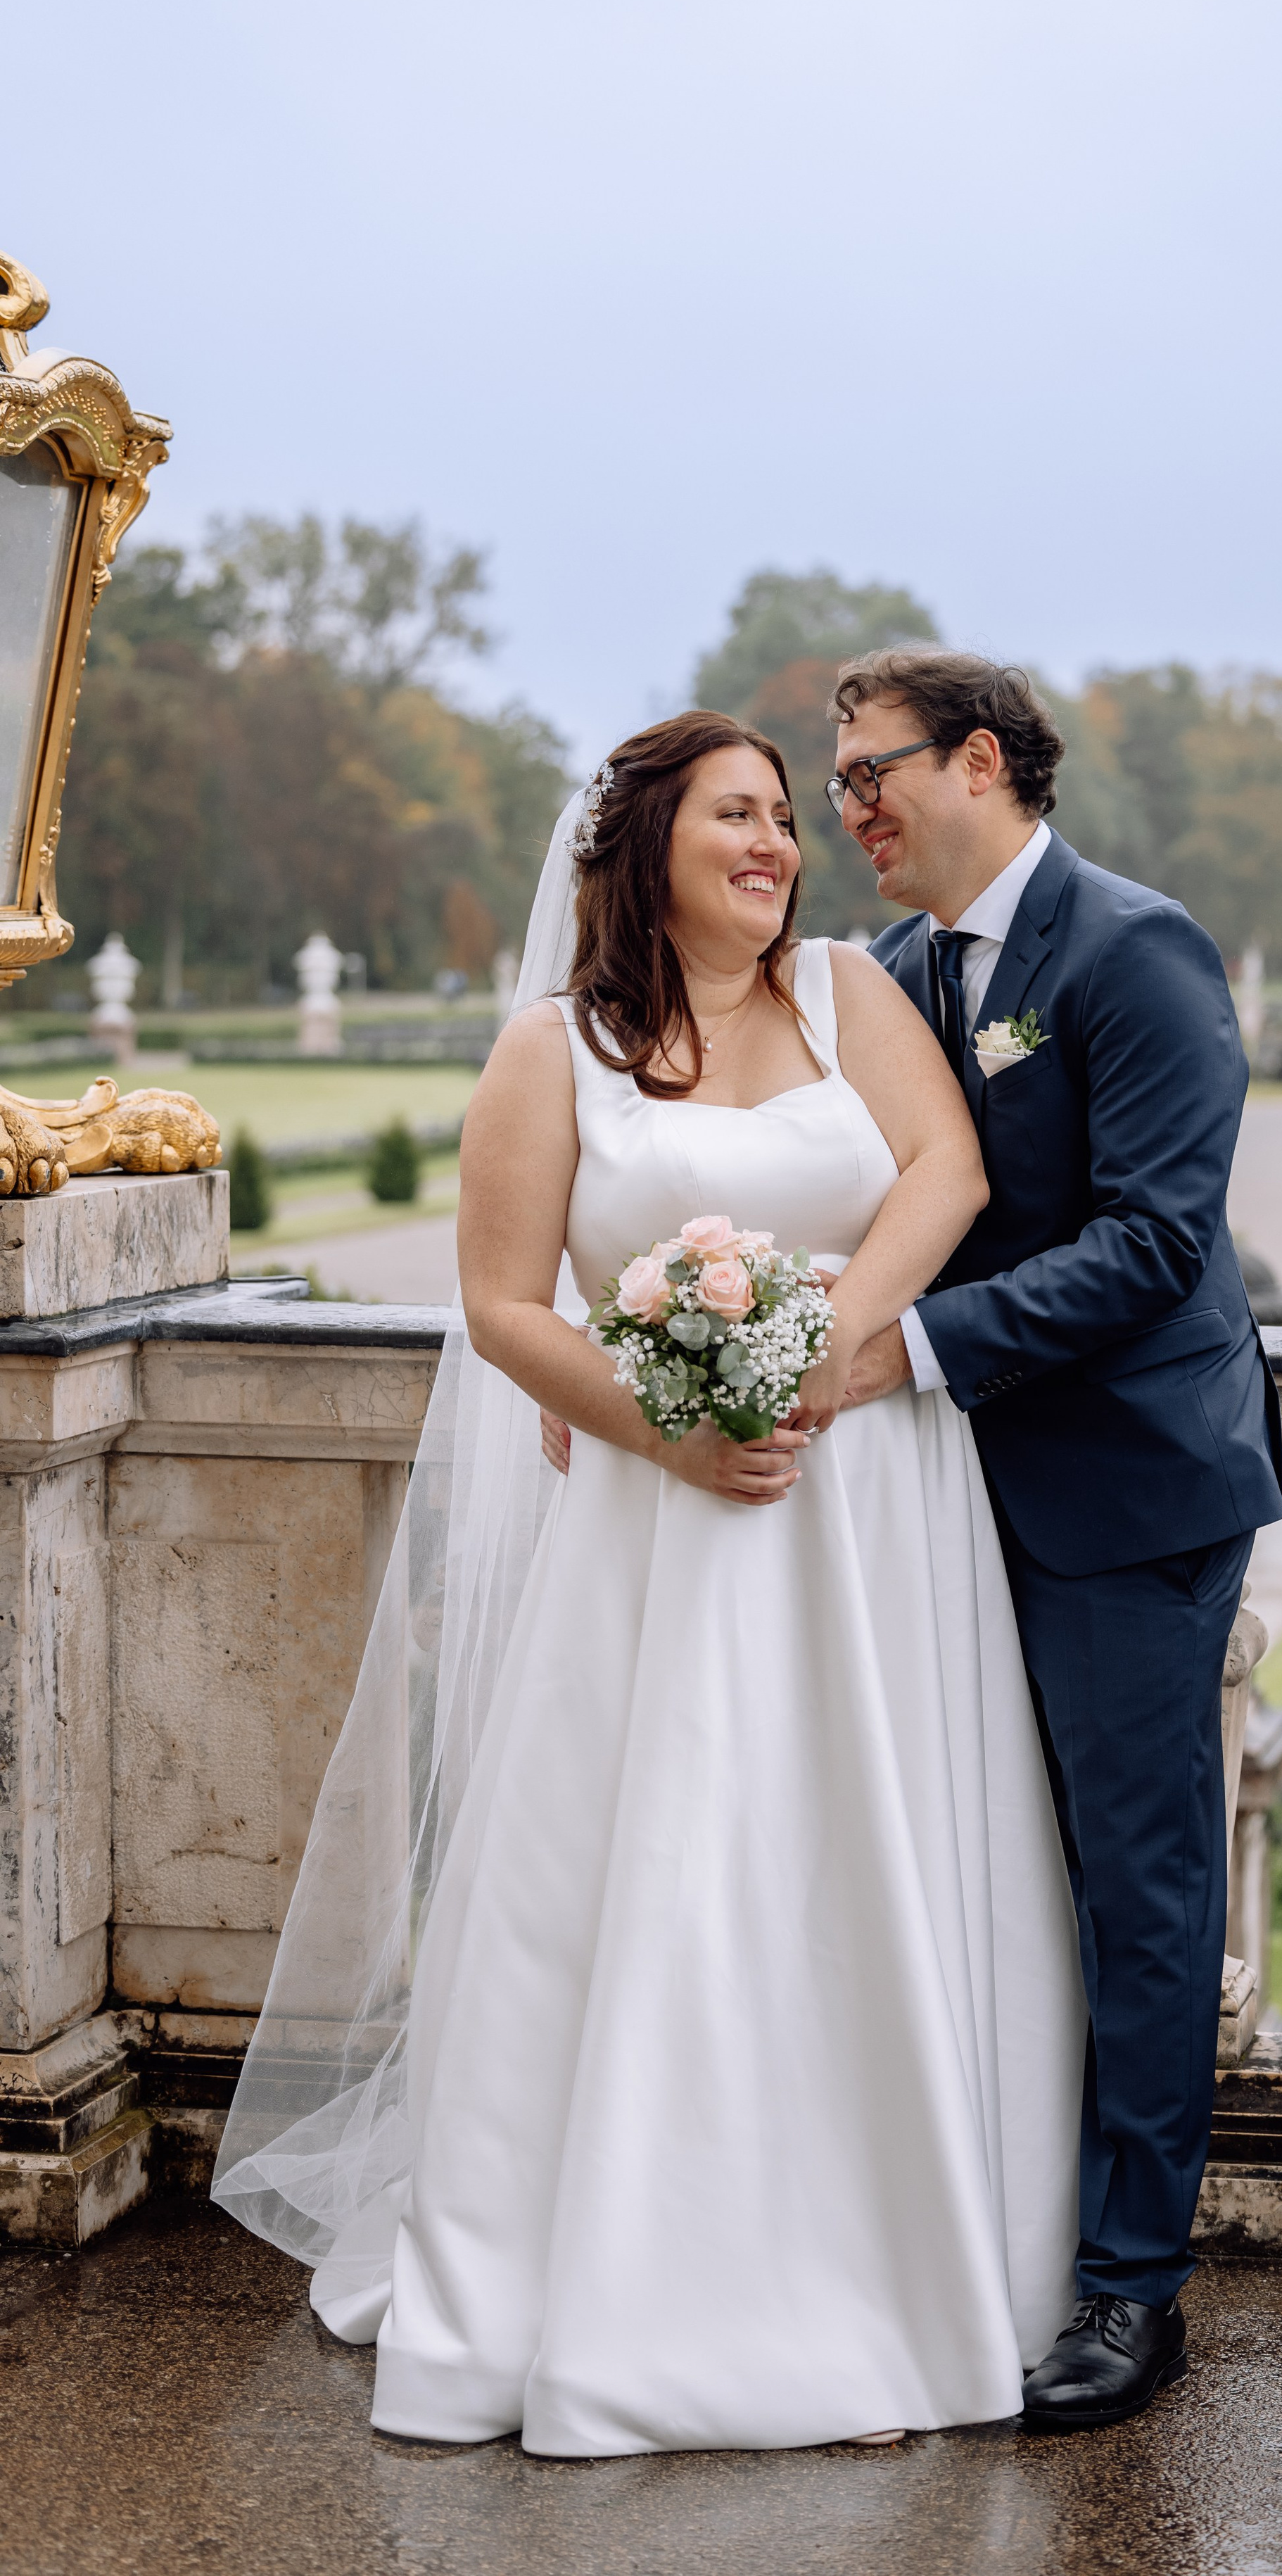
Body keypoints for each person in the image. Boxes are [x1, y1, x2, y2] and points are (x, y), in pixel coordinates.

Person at [214, 709, 1086, 2456]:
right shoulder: (554, 1050)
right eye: (738, 817)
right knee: (669, 1869)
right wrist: (675, 1427)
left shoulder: (851, 989)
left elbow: (949, 1174)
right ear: (645, 847)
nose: (776, 845)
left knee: (853, 1861)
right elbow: (507, 1304)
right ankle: (621, 2282)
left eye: (785, 817)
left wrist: (808, 1359)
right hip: (655, 1521)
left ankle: (884, 2259)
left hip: (867, 1513)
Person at [825, 647, 1282, 2432]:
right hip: (932, 1501)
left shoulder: (1133, 947)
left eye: (875, 772)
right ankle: (984, 2237)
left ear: (988, 762)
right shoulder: (880, 973)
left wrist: (911, 1350)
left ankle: (1128, 2290)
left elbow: (1160, 1236)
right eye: (837, 779)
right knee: (964, 1870)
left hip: (1124, 1496)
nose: (848, 807)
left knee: (1139, 1895)